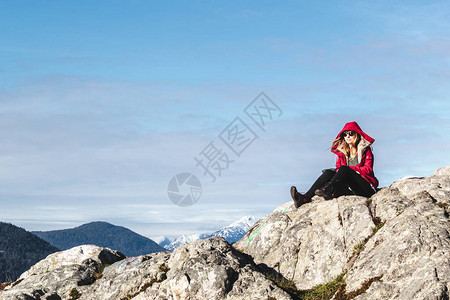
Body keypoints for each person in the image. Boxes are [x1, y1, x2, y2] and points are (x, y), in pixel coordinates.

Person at [290, 121, 379, 208]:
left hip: (365, 187)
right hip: (350, 188)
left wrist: (351, 169)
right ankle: (305, 198)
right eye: (345, 134)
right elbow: (339, 169)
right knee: (329, 173)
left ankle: (329, 189)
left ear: (357, 135)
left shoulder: (366, 150)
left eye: (351, 133)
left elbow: (368, 169)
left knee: (344, 169)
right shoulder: (342, 153)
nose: (347, 136)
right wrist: (339, 172)